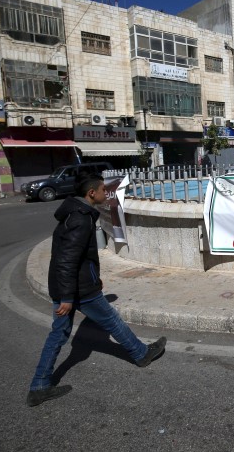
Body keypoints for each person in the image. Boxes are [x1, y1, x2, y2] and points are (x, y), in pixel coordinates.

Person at [27, 172, 166, 407]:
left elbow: (78, 258)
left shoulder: (74, 213)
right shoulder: (81, 219)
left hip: (71, 284)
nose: (105, 193)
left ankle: (39, 385)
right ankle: (141, 354)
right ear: (91, 193)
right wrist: (68, 297)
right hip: (77, 289)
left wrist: (92, 277)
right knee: (111, 320)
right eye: (102, 189)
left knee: (58, 334)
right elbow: (68, 260)